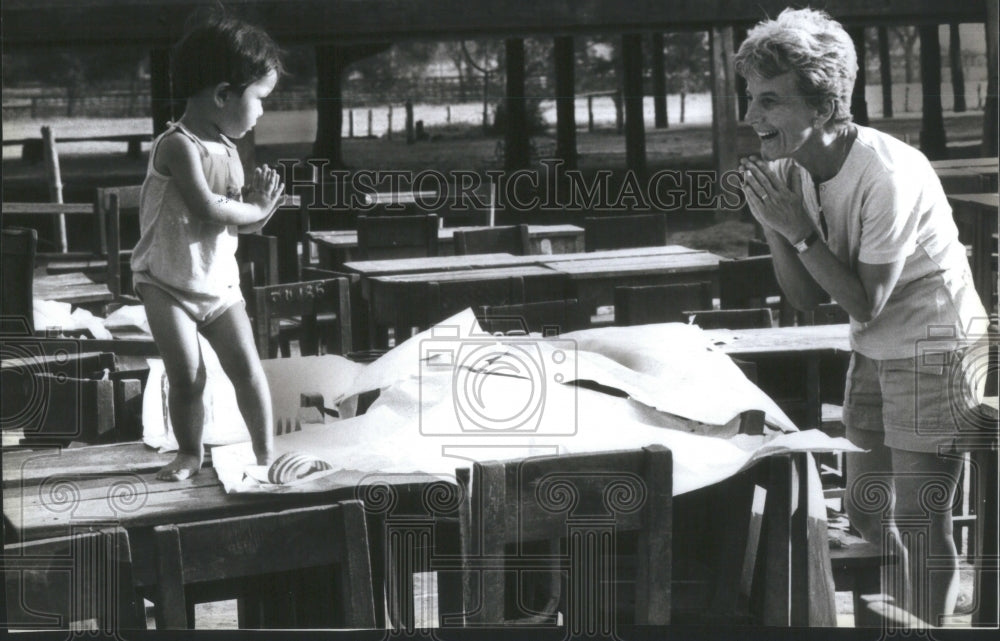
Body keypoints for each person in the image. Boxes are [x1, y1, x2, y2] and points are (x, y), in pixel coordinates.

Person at [734, 7, 989, 625]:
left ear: (821, 108)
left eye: (769, 101)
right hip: (874, 345)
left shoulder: (886, 173)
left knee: (918, 518)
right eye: (749, 98)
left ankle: (926, 628)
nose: (751, 118)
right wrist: (776, 225)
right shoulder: (793, 168)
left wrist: (796, 231)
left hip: (937, 342)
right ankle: (893, 621)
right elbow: (803, 298)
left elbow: (863, 299)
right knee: (869, 515)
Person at [130, 13, 285, 481]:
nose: (261, 113)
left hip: (217, 282)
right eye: (258, 99)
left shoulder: (229, 148)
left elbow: (238, 225)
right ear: (222, 95)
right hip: (166, 282)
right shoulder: (178, 145)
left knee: (248, 369)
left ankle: (265, 455)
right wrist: (253, 209)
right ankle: (190, 454)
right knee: (188, 377)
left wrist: (262, 208)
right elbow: (205, 207)